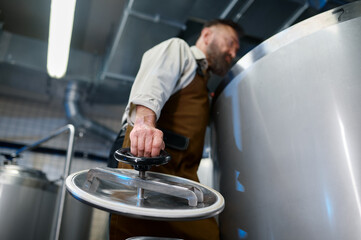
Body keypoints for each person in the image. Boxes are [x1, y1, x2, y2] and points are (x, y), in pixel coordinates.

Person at [108, 19, 243, 240]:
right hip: (147, 163)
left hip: (182, 177)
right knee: (137, 234)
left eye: (236, 49)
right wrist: (143, 125)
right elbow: (152, 85)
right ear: (207, 35)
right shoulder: (179, 50)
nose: (232, 53)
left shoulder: (203, 83)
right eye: (230, 43)